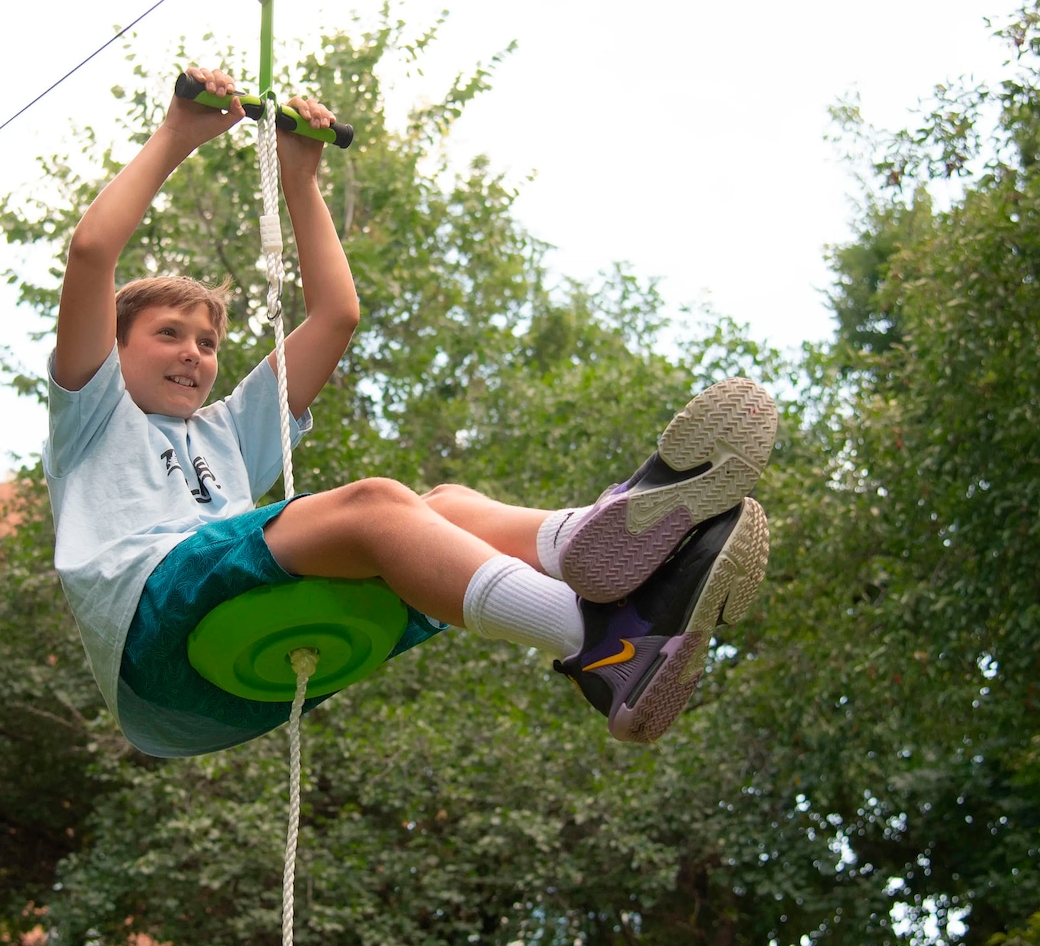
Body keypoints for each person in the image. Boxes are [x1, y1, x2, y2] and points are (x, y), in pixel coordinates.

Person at [46, 65, 775, 758]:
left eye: (207, 341)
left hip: (234, 682)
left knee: (442, 507)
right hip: (151, 640)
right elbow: (92, 250)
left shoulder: (227, 434)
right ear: (113, 346)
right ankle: (587, 634)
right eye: (168, 334)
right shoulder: (95, 408)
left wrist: (302, 179)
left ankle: (590, 571)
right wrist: (177, 132)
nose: (194, 354)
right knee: (375, 504)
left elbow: (336, 315)